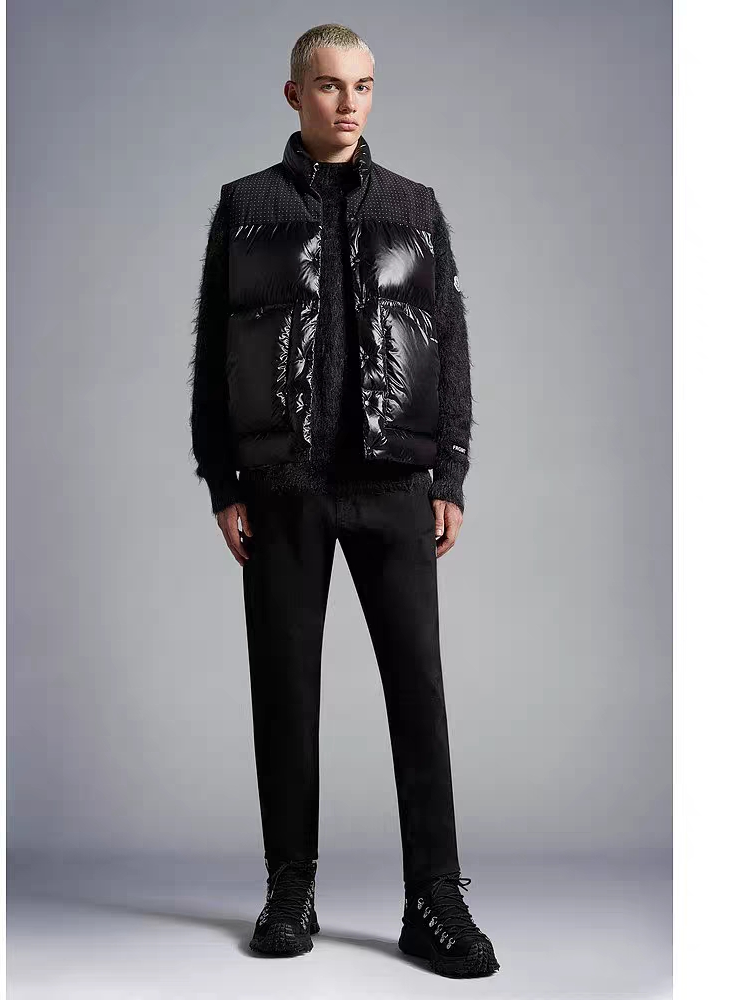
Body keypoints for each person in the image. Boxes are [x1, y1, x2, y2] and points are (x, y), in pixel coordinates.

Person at [188, 23, 499, 979]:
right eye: (328, 85)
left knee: (419, 692)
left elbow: (448, 341)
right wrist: (222, 480)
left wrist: (449, 473)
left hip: (394, 485)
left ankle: (434, 896)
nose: (348, 102)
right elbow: (213, 351)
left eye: (362, 85)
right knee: (284, 691)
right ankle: (290, 886)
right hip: (283, 487)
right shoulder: (245, 207)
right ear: (294, 95)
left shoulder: (414, 205)